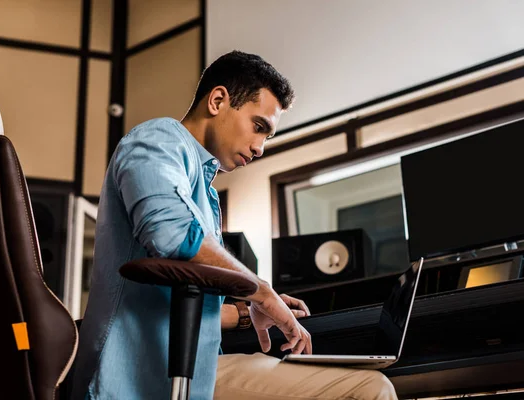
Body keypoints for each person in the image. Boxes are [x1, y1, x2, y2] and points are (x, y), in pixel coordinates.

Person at [70, 50, 397, 400]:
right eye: (259, 127)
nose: (259, 149)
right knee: (369, 388)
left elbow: (176, 298)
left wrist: (247, 311)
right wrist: (261, 290)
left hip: (194, 370)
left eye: (267, 138)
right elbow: (171, 233)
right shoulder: (157, 139)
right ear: (218, 100)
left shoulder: (203, 187)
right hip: (141, 379)